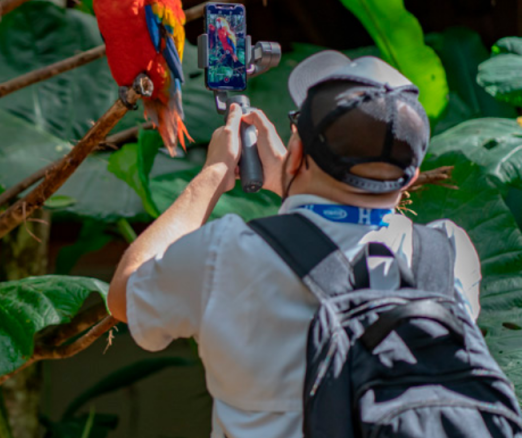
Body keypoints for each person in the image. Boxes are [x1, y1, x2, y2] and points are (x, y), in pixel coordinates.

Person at [107, 50, 483, 438]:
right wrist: (291, 182)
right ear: (410, 177)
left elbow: (124, 296)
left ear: (297, 150)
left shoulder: (228, 251)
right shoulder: (450, 252)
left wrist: (214, 175)